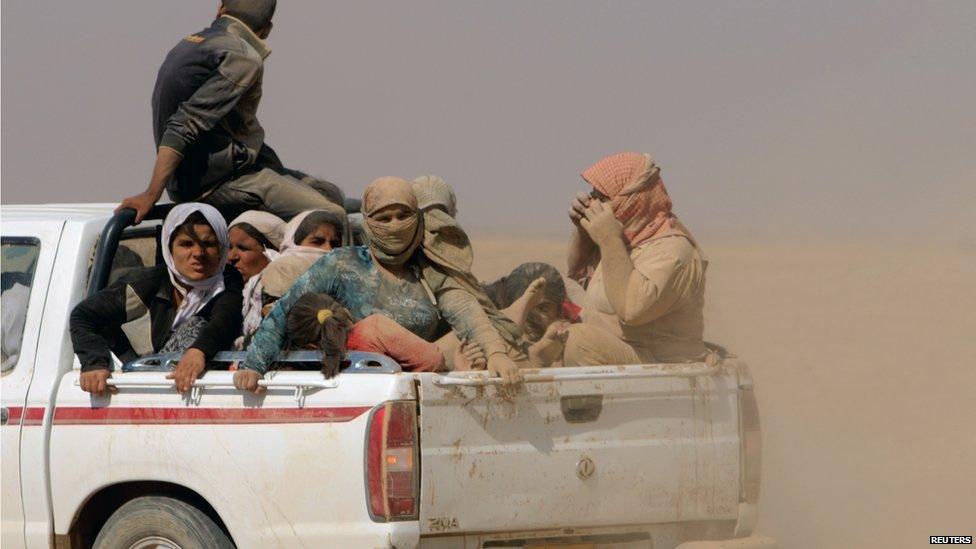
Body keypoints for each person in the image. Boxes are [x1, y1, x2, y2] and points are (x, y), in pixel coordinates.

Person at [235, 176, 523, 393]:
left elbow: (464, 309)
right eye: (384, 218)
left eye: (403, 216)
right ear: (369, 222)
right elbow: (284, 313)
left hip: (421, 389)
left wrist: (496, 353)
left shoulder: (427, 271)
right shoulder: (341, 264)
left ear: (417, 219)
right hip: (356, 390)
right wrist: (254, 365)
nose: (395, 225)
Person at [116, 0, 345, 223]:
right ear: (266, 29)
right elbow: (182, 126)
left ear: (220, 9)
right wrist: (151, 195)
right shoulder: (243, 56)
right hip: (214, 185)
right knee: (334, 216)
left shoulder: (190, 42)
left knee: (329, 193)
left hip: (218, 168)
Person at [70, 203, 243, 395]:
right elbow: (83, 315)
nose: (198, 254)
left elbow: (226, 318)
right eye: (186, 244)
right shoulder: (146, 283)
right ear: (169, 248)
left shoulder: (228, 281)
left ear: (222, 249)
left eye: (209, 244)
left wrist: (199, 351)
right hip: (137, 390)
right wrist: (94, 364)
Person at [558, 152, 708, 366]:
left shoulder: (672, 252)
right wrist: (583, 230)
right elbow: (578, 272)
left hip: (657, 360)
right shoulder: (627, 239)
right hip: (625, 351)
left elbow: (631, 308)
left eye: (602, 197)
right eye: (593, 194)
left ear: (630, 199)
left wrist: (609, 239)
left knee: (578, 341)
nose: (594, 203)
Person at [285, 293, 451, 377]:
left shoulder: (295, 370)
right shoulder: (373, 329)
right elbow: (434, 360)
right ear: (340, 311)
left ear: (309, 345)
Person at [228, 210, 285, 348]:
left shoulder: (281, 293)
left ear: (270, 252)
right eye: (229, 248)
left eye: (243, 248)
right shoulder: (222, 289)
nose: (232, 257)